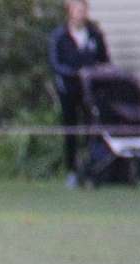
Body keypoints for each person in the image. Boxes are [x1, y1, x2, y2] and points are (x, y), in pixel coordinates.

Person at [48, 0, 108, 189]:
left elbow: (104, 60)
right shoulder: (60, 36)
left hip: (91, 91)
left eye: (83, 10)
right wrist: (75, 74)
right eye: (76, 10)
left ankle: (92, 170)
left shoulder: (94, 35)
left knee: (92, 131)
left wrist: (93, 74)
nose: (80, 14)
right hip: (69, 91)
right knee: (71, 132)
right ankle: (72, 172)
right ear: (69, 11)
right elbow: (55, 64)